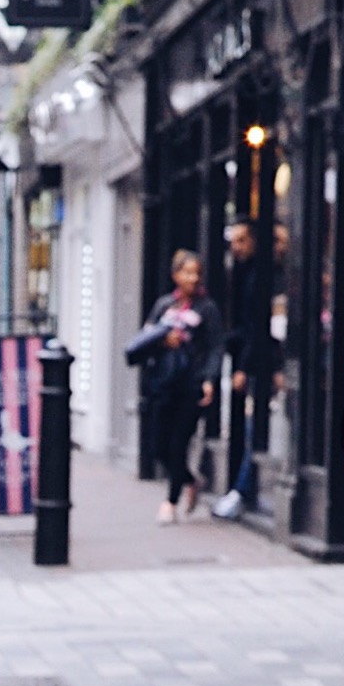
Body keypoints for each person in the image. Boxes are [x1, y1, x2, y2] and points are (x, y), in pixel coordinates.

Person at [125, 249, 216, 518]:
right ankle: (191, 480)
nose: (192, 278)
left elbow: (215, 346)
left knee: (179, 444)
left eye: (196, 273)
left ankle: (171, 502)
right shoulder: (164, 306)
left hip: (191, 386)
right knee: (159, 447)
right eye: (187, 272)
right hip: (163, 384)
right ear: (175, 275)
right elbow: (146, 337)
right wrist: (163, 341)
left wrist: (209, 379)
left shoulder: (207, 309)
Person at [214, 215, 271, 518]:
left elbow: (257, 326)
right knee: (252, 428)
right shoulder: (243, 273)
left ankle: (243, 489)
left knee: (254, 428)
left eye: (241, 241)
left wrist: (244, 367)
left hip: (263, 365)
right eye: (232, 241)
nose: (235, 247)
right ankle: (242, 488)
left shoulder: (260, 277)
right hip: (253, 361)